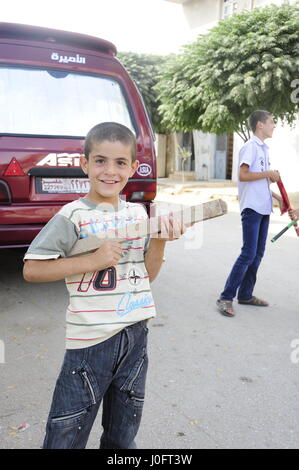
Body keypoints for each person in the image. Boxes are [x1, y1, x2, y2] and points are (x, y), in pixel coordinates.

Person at [23, 122, 184, 449]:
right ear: (84, 164)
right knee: (67, 434)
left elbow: (147, 276)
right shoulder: (72, 216)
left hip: (136, 337)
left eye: (120, 162)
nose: (110, 171)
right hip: (90, 343)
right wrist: (93, 261)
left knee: (123, 434)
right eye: (100, 161)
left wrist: (161, 243)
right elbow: (32, 270)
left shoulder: (138, 213)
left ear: (133, 167)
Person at [216, 110, 283, 317]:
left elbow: (259, 180)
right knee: (248, 253)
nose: (274, 126)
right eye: (271, 122)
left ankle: (245, 294)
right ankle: (226, 297)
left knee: (258, 253)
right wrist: (269, 174)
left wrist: (276, 197)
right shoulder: (250, 147)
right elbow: (243, 175)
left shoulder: (263, 149)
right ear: (260, 125)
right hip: (252, 208)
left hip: (263, 207)